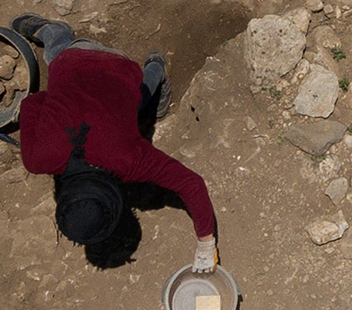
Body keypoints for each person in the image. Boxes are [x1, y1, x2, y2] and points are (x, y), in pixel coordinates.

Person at [11, 14, 217, 270]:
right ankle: (154, 66)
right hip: (83, 62)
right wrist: (61, 102)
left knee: (136, 99)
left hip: (117, 68)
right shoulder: (37, 158)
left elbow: (191, 184)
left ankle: (154, 66)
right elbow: (31, 103)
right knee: (63, 57)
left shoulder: (128, 159)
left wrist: (206, 242)